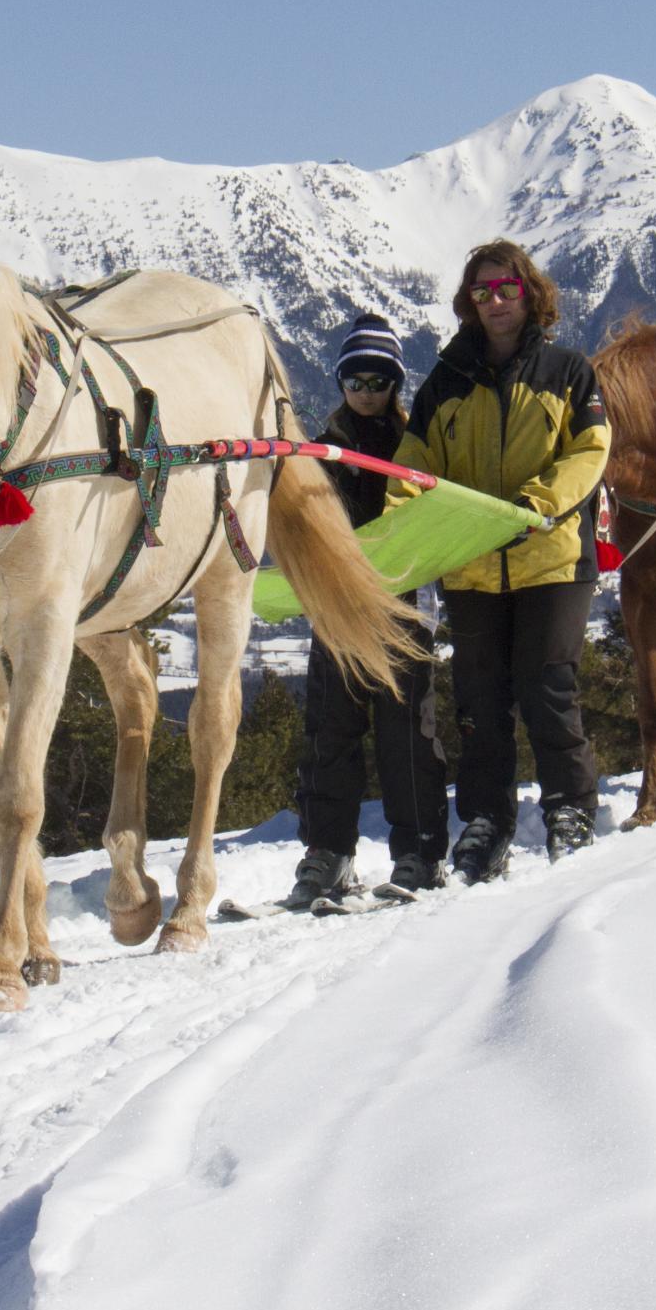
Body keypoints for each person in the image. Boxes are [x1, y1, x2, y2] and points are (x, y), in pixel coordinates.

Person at [389, 242, 611, 883]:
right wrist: (407, 519)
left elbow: (590, 452)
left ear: (529, 291)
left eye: (505, 289)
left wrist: (533, 506)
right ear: (468, 303)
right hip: (472, 566)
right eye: (481, 293)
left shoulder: (569, 372)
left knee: (548, 688)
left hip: (551, 558)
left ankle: (570, 807)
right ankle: (488, 821)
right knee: (479, 703)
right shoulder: (446, 383)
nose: (494, 303)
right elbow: (412, 464)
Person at [277, 314, 453, 909]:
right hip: (338, 608)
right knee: (331, 732)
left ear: (397, 383)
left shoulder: (415, 445)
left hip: (404, 606)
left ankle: (419, 849)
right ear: (340, 381)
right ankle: (328, 853)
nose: (368, 391)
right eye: (356, 378)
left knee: (407, 735)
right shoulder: (323, 448)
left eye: (380, 380)